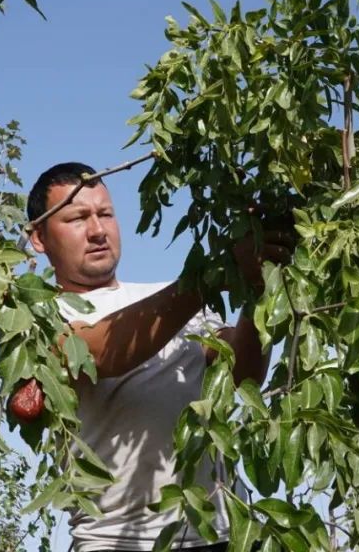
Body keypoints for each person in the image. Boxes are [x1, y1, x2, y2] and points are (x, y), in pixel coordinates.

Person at [26, 162, 290, 552]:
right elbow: (99, 353)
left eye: (106, 214)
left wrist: (260, 286)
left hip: (221, 532)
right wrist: (214, 274)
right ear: (39, 238)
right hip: (118, 542)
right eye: (78, 218)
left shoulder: (175, 298)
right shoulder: (38, 317)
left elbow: (242, 373)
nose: (98, 230)